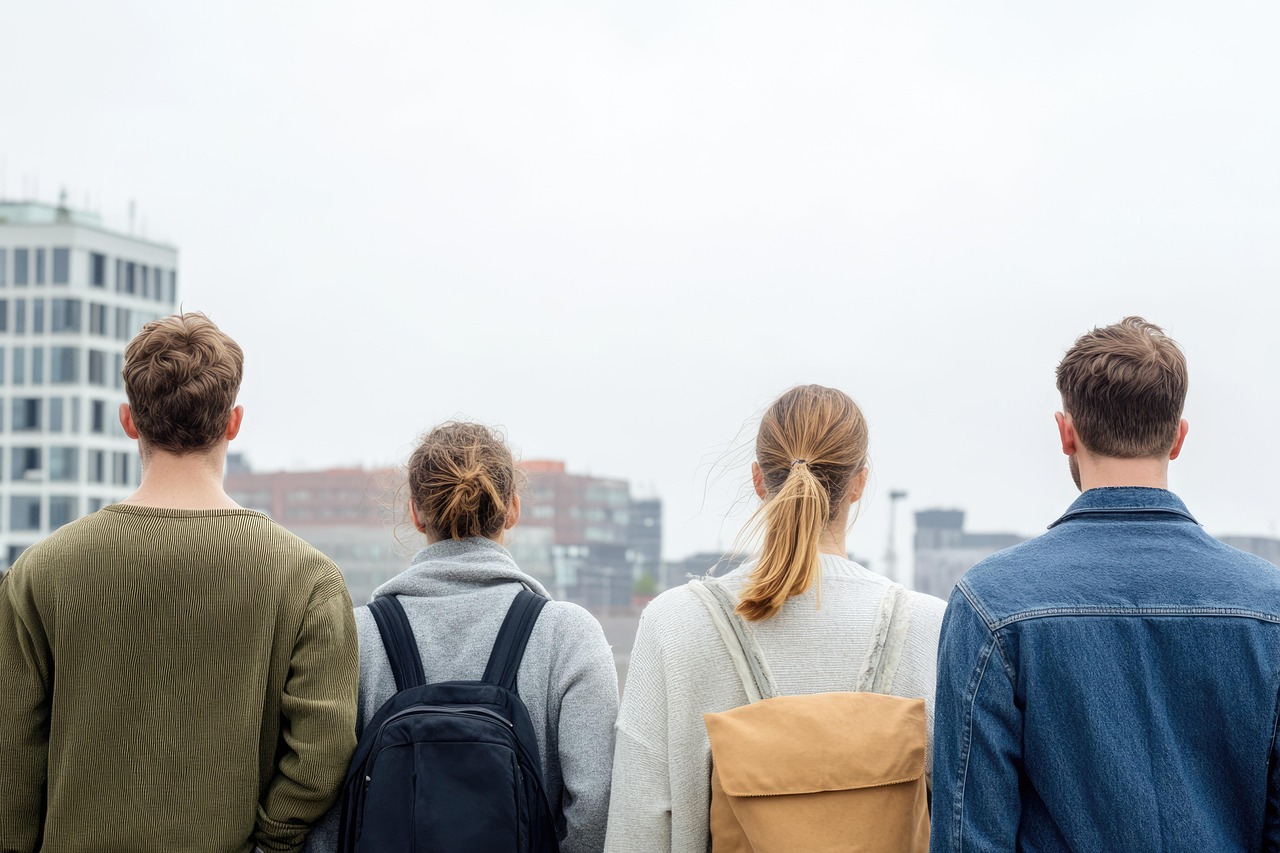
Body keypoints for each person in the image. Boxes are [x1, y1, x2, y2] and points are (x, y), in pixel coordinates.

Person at [0, 313, 359, 853]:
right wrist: (271, 841)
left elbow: (13, 753)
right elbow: (324, 750)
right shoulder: (309, 580)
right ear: (233, 423)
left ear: (128, 420)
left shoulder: (40, 571)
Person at [931, 316, 1280, 851]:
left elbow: (969, 838)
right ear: (1178, 436)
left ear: (1066, 432)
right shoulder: (1269, 605)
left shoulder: (991, 604)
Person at [604, 384, 947, 853]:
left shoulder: (676, 623)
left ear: (759, 480)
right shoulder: (930, 627)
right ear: (860, 483)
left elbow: (638, 826)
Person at [304, 421, 619, 853]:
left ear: (414, 513)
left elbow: (322, 797)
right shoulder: (567, 635)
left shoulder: (358, 635)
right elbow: (596, 805)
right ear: (512, 509)